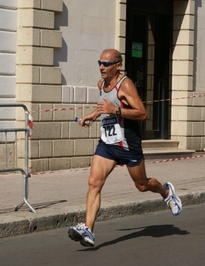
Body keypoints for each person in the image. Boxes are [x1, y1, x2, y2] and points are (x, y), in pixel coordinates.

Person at [68, 49, 182, 247]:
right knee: (94, 182)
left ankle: (166, 192)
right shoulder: (101, 84)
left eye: (106, 64)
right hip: (107, 144)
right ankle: (88, 230)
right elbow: (104, 106)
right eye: (99, 63)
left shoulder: (125, 85)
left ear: (117, 66)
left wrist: (117, 110)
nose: (101, 67)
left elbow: (142, 113)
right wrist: (92, 116)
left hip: (128, 144)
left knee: (142, 185)